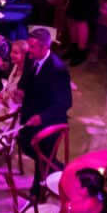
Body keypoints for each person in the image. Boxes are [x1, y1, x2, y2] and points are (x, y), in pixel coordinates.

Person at [15, 28, 72, 178]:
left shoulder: (58, 70)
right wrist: (21, 88)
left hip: (49, 121)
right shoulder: (30, 56)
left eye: (32, 46)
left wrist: (42, 117)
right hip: (29, 114)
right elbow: (26, 76)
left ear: (45, 47)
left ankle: (37, 193)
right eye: (29, 45)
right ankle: (56, 168)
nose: (29, 49)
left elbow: (65, 103)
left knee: (42, 158)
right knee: (25, 144)